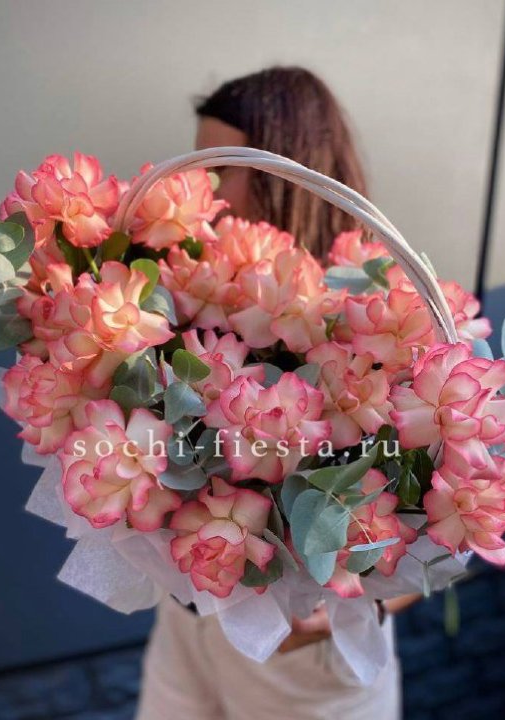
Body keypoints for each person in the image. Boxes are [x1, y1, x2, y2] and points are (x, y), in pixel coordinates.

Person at [136, 66, 419, 720]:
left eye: (219, 169)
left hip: (305, 656)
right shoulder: (190, 292)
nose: (200, 188)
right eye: (197, 165)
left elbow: (436, 524)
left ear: (279, 171)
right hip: (192, 619)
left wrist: (358, 597)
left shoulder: (377, 313)